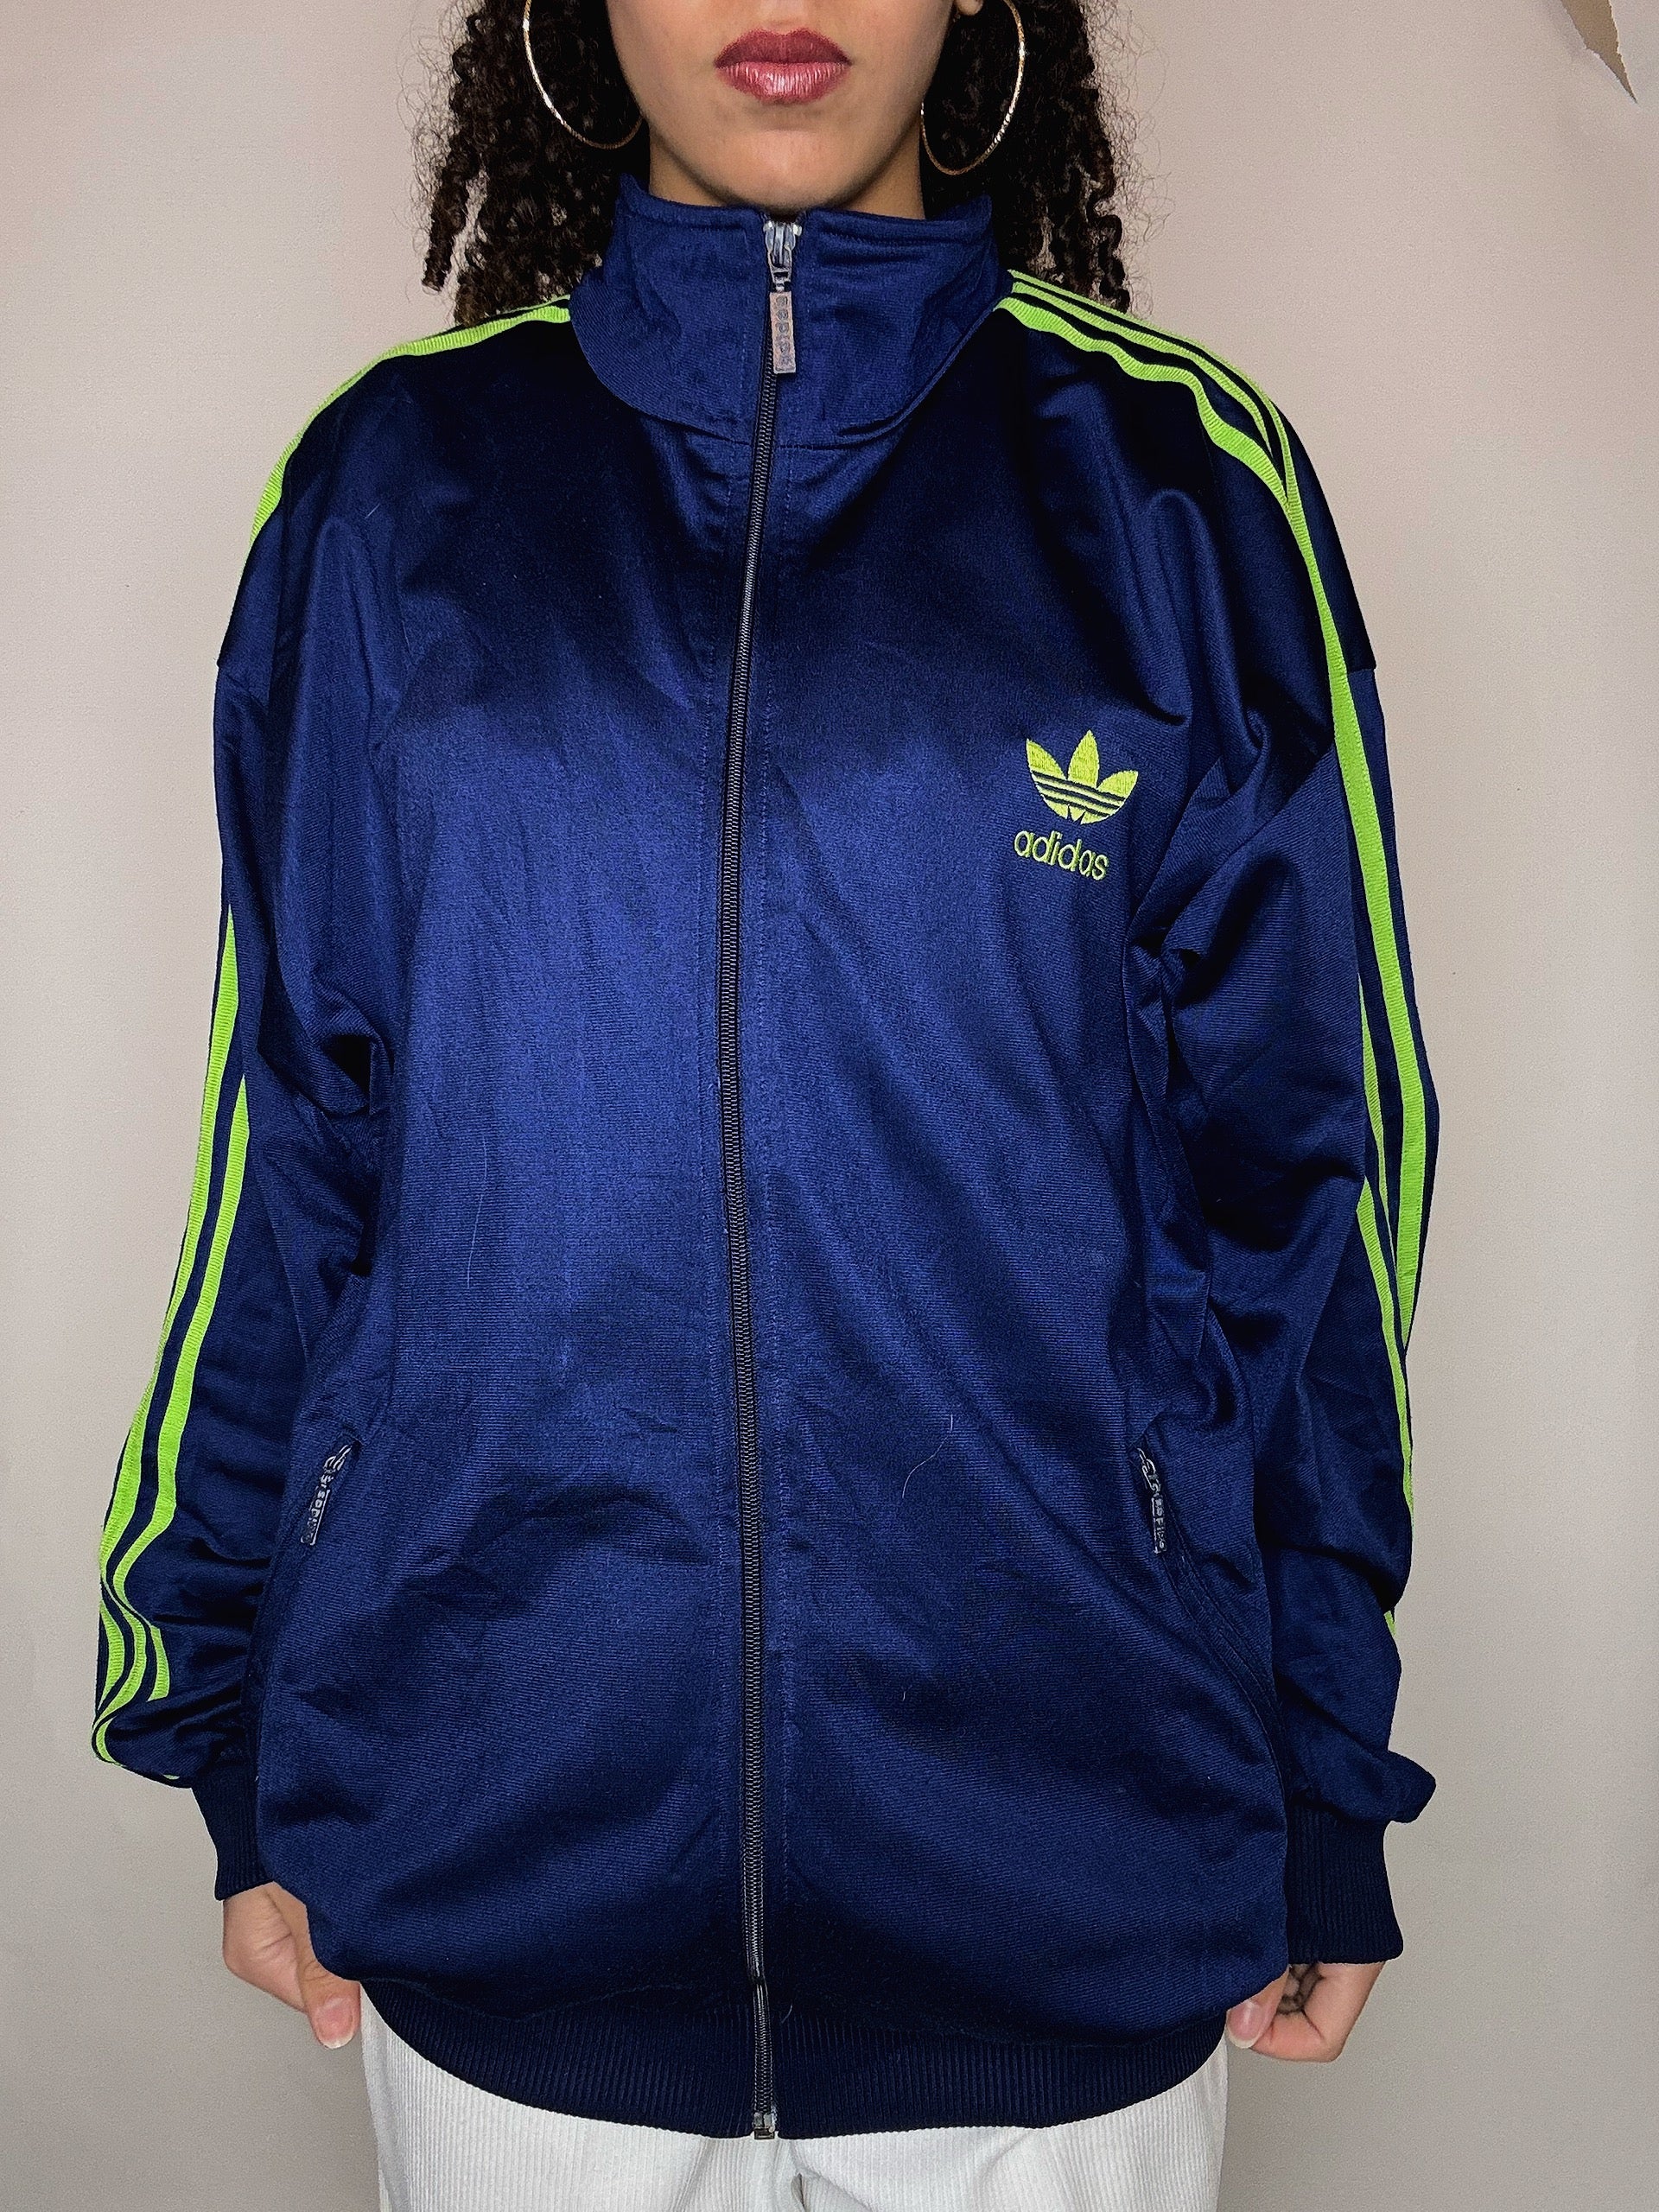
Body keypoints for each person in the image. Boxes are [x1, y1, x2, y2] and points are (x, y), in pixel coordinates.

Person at [92, 1, 1440, 2205]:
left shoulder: (1178, 484)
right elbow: (292, 1142)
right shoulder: (394, 486)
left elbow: (1316, 1174)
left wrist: (1319, 1767)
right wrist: (228, 1718)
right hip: (498, 1870)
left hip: (1065, 1883)